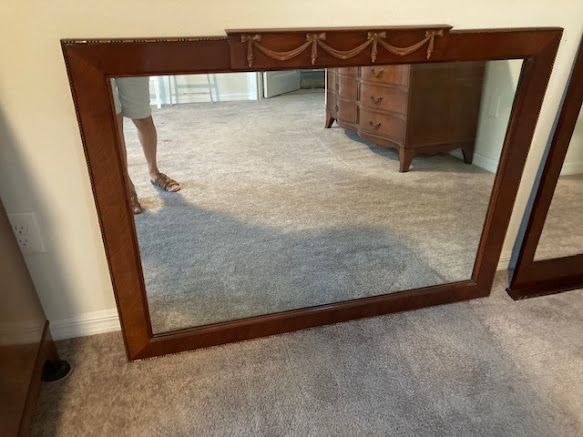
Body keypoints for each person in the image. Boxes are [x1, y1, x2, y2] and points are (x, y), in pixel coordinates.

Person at [112, 77, 180, 214]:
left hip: (129, 63)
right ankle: (125, 183)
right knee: (114, 121)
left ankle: (154, 172)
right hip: (97, 64)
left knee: (143, 118)